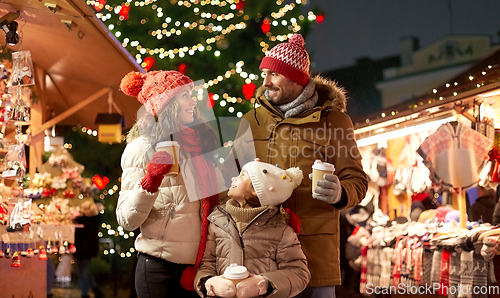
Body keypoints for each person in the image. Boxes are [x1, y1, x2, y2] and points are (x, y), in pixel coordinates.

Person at [228, 34, 368, 298]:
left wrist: (340, 193)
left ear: (296, 78)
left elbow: (357, 181)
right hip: (262, 254)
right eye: (264, 74)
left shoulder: (335, 122)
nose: (265, 82)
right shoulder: (250, 121)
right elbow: (229, 180)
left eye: (274, 75)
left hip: (314, 252)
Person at [117, 70, 225, 298]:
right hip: (159, 269)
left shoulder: (202, 144)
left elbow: (218, 205)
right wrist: (151, 181)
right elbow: (127, 220)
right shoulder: (141, 148)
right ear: (166, 104)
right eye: (184, 95)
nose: (193, 101)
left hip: (200, 270)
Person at [195, 159, 311, 298]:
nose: (234, 178)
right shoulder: (217, 222)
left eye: (242, 174)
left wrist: (265, 284)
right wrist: (208, 283)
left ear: (257, 190)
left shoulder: (281, 231)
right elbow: (207, 264)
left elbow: (298, 272)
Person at [74, 200, 104, 298]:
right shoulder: (95, 221)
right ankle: (95, 290)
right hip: (89, 250)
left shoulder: (82, 222)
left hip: (82, 250)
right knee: (84, 271)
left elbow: (78, 236)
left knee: (82, 272)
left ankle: (85, 293)